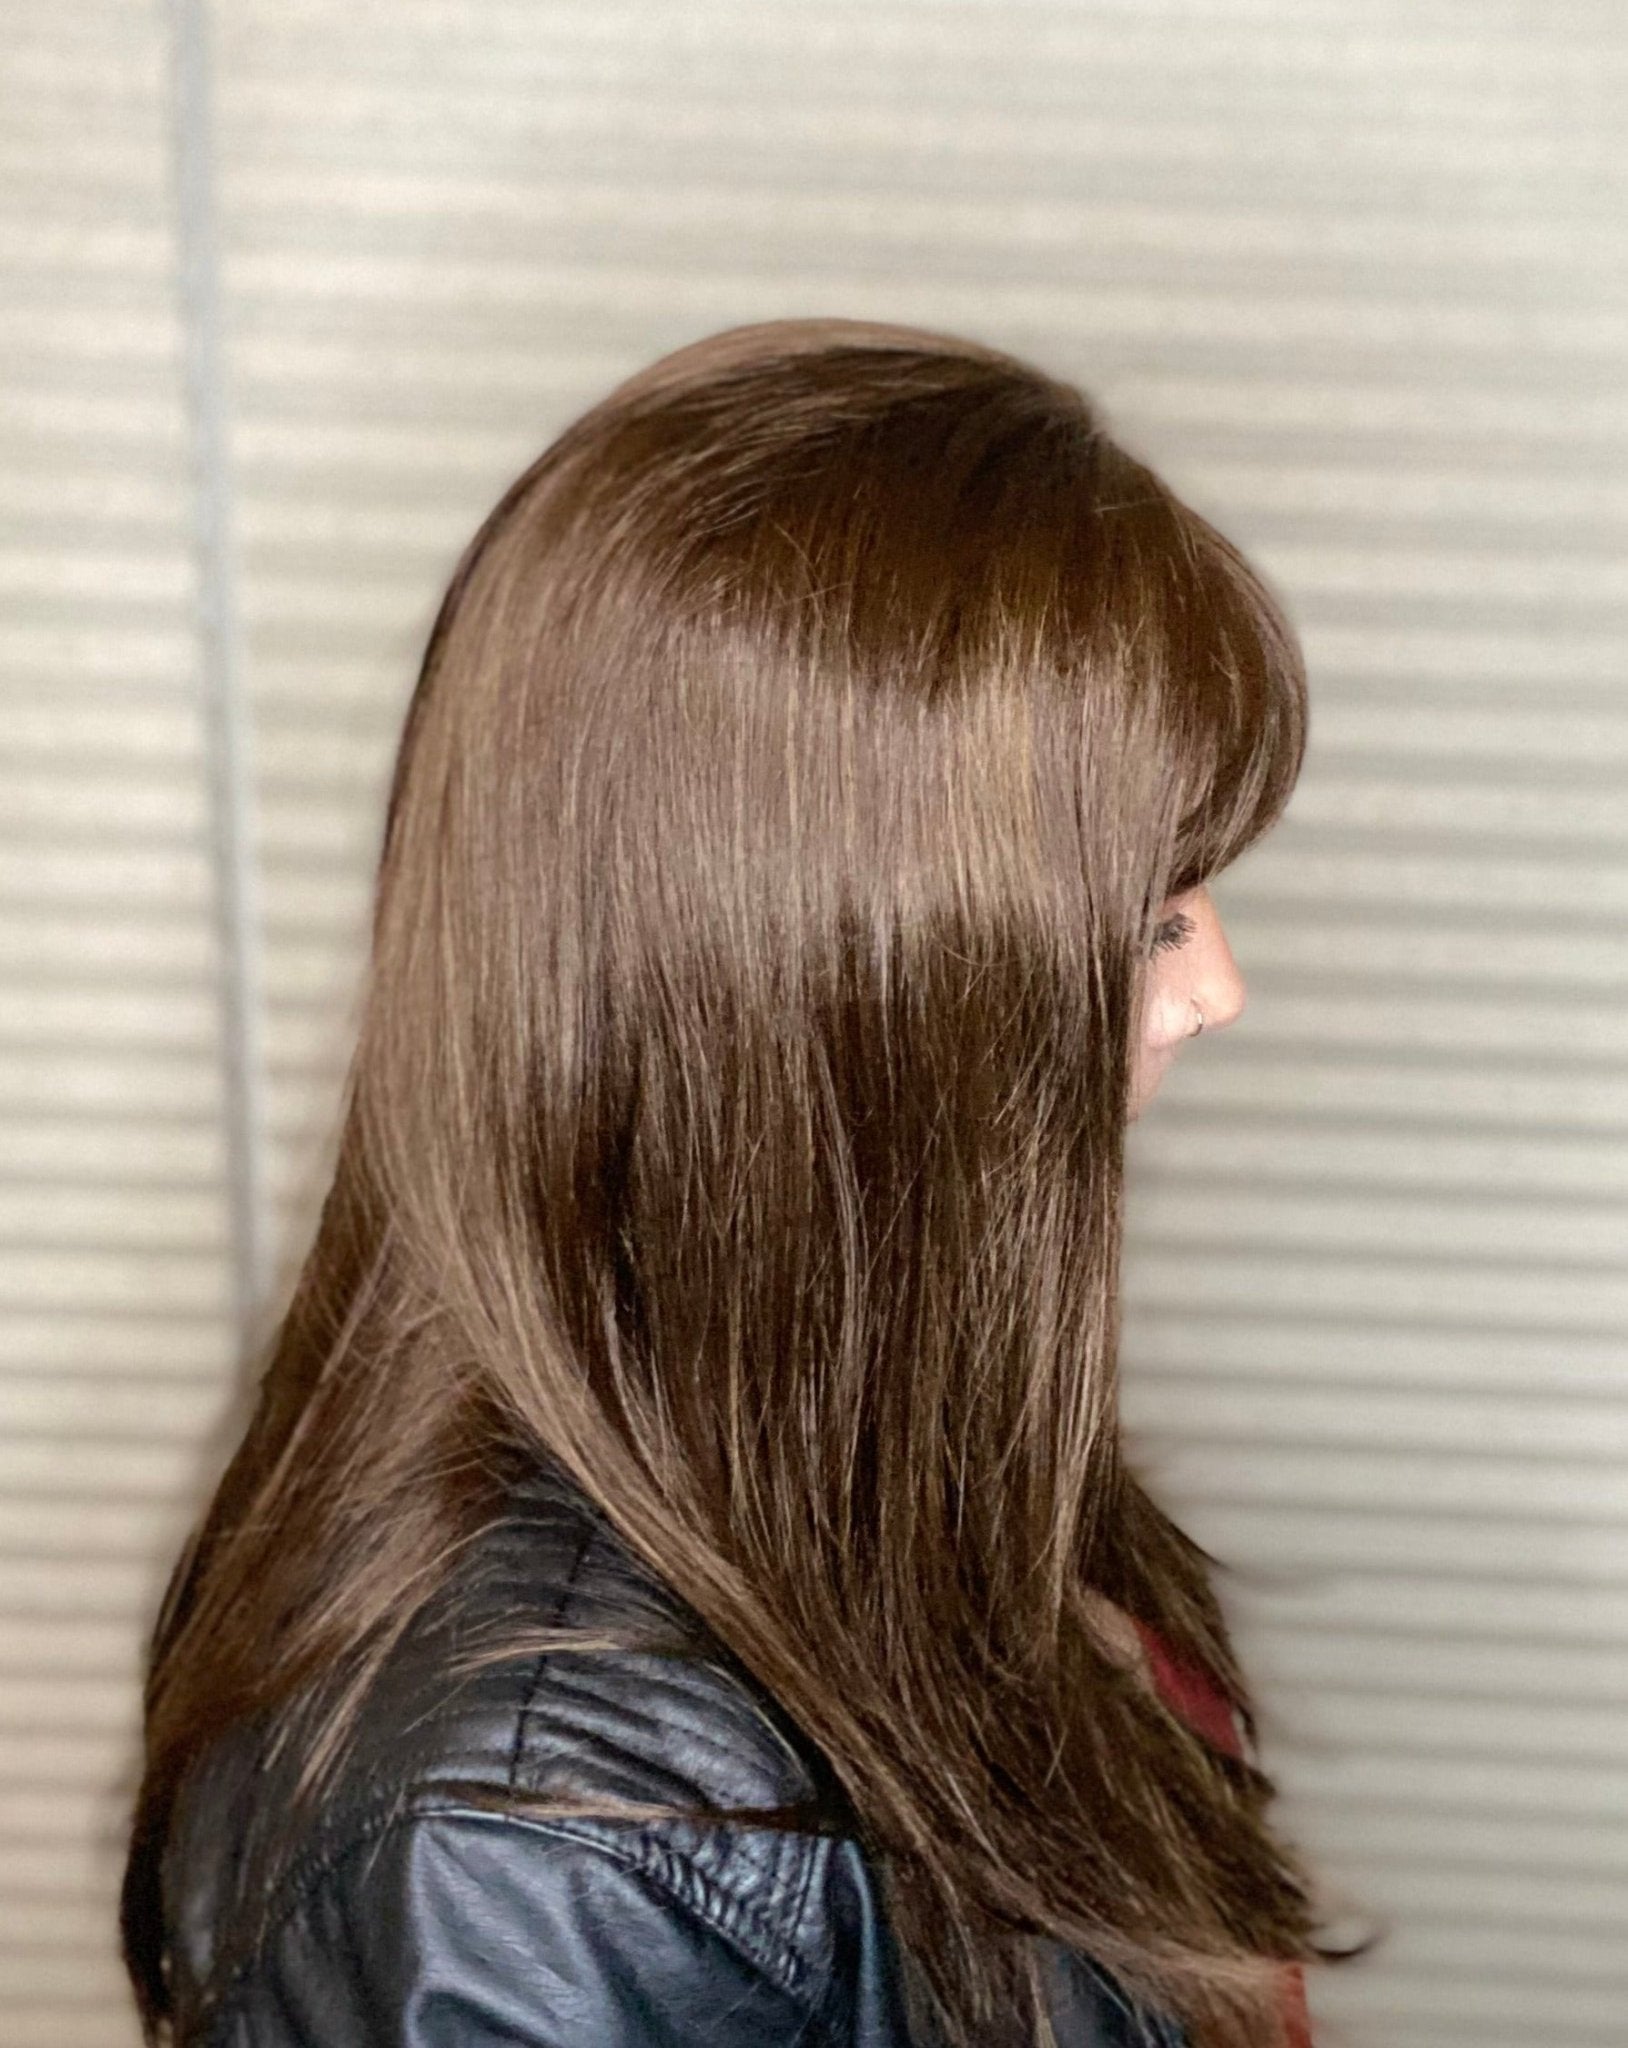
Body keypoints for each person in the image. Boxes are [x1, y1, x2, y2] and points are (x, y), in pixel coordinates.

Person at [120, 318, 1363, 2048]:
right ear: (833, 991)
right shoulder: (530, 1851)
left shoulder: (863, 1446)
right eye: (1151, 915)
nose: (1219, 987)